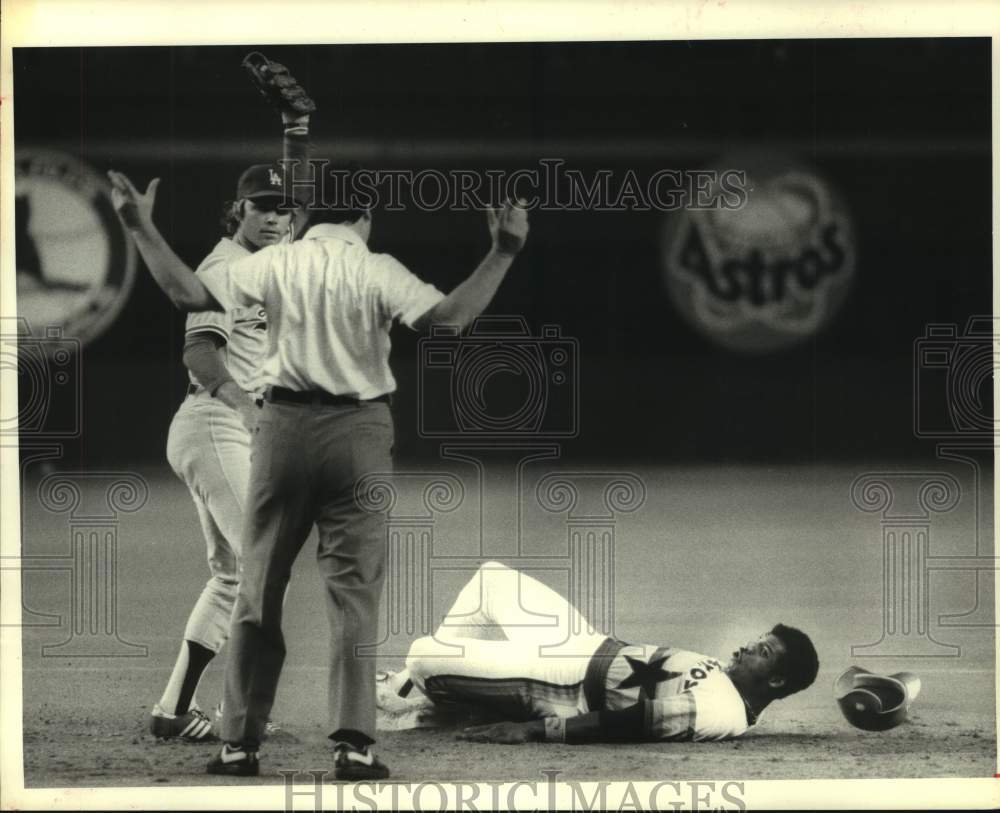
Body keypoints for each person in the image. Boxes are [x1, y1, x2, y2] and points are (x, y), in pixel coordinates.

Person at [108, 164, 530, 779]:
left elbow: (186, 297)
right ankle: (354, 747)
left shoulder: (277, 264)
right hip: (355, 432)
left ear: (303, 217)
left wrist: (141, 229)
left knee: (253, 585)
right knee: (352, 594)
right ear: (365, 219)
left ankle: (237, 743)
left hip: (278, 427)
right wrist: (503, 252)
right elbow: (450, 321)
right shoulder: (376, 267)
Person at [147, 111, 312, 742]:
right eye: (260, 207)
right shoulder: (222, 269)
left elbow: (298, 184)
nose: (274, 217)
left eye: (282, 209)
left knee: (234, 575)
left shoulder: (277, 261)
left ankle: (171, 711)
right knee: (262, 568)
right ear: (235, 213)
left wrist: (296, 127)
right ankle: (242, 715)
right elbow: (198, 353)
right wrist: (247, 407)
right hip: (216, 422)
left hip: (223, 429)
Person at [376, 561, 819, 743]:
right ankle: (416, 694)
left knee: (422, 654)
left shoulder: (725, 713)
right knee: (491, 578)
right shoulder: (727, 679)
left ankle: (435, 698)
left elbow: (636, 722)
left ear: (776, 680)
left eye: (762, 650)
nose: (745, 646)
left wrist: (536, 731)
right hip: (584, 641)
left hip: (558, 682)